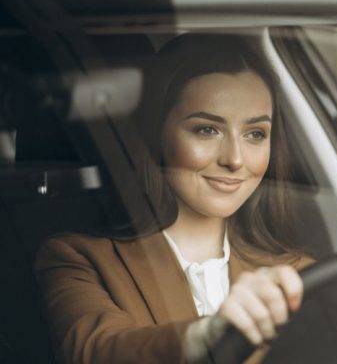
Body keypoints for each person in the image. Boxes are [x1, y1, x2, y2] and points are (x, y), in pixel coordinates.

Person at [34, 33, 313, 364]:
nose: (235, 160)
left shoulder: (298, 275)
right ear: (156, 134)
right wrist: (208, 336)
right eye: (207, 130)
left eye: (255, 134)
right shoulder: (78, 259)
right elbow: (97, 352)